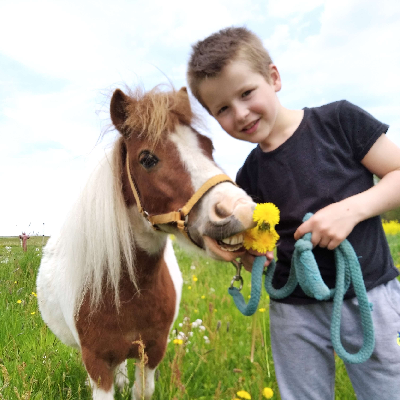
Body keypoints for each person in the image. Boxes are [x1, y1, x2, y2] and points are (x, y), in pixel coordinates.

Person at [187, 27, 400, 400]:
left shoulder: (339, 121)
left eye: (246, 93)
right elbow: (254, 242)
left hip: (368, 296)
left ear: (273, 78)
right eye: (222, 109)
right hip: (293, 313)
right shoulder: (247, 176)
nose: (240, 113)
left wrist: (350, 211)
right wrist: (250, 254)